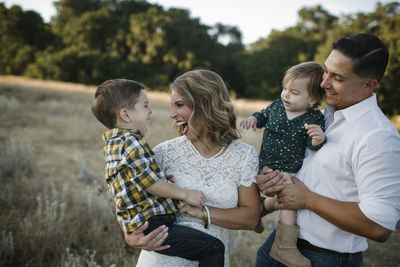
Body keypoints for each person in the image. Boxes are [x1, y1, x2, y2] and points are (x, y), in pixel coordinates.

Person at [255, 33, 400, 267]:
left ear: (369, 84)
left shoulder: (378, 137)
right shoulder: (320, 117)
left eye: (338, 78)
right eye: (326, 71)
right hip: (278, 245)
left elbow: (379, 226)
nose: (323, 83)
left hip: (326, 258)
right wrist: (270, 182)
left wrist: (307, 199)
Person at [129, 69, 261, 267]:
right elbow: (130, 198)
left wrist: (202, 212)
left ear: (205, 105)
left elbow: (251, 218)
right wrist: (130, 236)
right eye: (172, 106)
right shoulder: (164, 152)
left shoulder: (244, 156)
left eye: (180, 105)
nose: (172, 114)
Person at [91, 78, 226, 266]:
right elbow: (148, 182)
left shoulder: (114, 145)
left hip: (144, 223)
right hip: (155, 226)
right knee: (213, 248)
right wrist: (185, 194)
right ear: (126, 115)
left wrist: (162, 181)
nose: (150, 111)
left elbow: (136, 183)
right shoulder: (131, 143)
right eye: (145, 106)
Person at [240, 61, 326, 267]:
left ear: (312, 98)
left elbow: (312, 146)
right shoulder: (277, 107)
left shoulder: (313, 118)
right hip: (265, 163)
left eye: (294, 92)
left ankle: (285, 245)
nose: (286, 94)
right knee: (248, 183)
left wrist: (318, 139)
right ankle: (254, 212)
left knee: (287, 195)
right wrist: (253, 119)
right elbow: (262, 115)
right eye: (285, 88)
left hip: (288, 168)